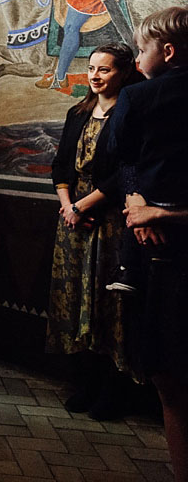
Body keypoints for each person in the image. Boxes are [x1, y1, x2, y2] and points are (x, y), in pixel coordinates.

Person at [108, 7, 188, 482]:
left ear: (168, 52)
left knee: (174, 385)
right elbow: (126, 167)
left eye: (142, 49)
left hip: (171, 258)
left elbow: (116, 156)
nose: (137, 59)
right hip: (161, 246)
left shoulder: (138, 98)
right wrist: (138, 197)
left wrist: (159, 212)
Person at [46, 43, 143, 421]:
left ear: (123, 72)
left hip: (109, 221)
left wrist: (85, 206)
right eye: (91, 68)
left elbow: (125, 172)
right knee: (75, 299)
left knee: (107, 304)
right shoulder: (78, 112)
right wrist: (68, 205)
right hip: (73, 221)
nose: (95, 75)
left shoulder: (130, 114)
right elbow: (60, 165)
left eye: (105, 69)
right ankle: (84, 382)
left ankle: (112, 390)